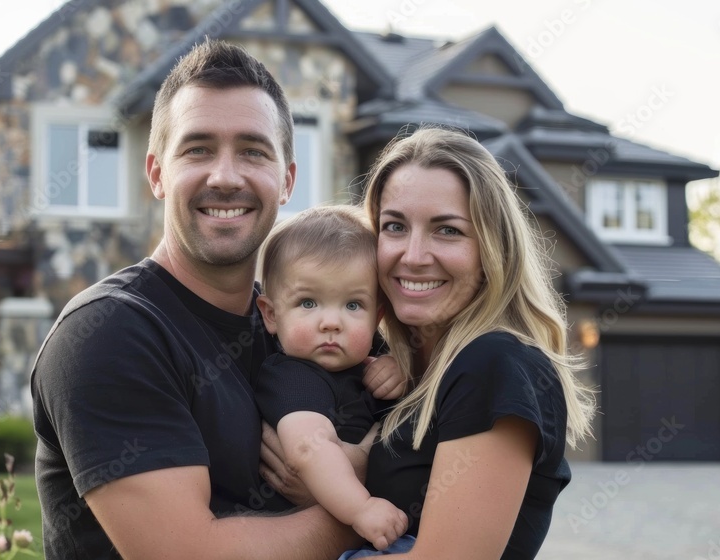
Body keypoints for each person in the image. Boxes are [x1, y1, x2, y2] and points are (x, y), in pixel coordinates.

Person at [30, 39, 388, 560]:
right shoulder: (110, 333)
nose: (225, 176)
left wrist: (352, 468)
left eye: (252, 151)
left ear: (286, 180)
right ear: (157, 173)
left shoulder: (294, 324)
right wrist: (367, 507)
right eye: (198, 149)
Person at [354, 127, 597, 559]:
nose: (412, 255)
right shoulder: (388, 367)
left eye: (447, 231)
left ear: (492, 249)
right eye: (394, 226)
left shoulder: (495, 364)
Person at [252, 205, 410, 553]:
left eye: (353, 306)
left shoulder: (368, 362)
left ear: (377, 317)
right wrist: (361, 508)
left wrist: (400, 367)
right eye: (309, 303)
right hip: (331, 534)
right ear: (272, 314)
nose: (331, 323)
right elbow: (311, 450)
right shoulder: (291, 376)